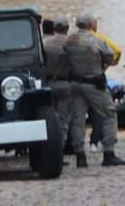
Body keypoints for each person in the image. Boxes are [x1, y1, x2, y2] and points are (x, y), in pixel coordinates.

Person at [64, 13, 125, 167]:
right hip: (93, 83)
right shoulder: (94, 40)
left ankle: (80, 155)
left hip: (75, 84)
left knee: (78, 119)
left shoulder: (68, 40)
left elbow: (64, 57)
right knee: (109, 113)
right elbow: (110, 56)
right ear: (90, 25)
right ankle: (109, 153)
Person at [43, 15, 75, 153]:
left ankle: (46, 148)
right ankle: (58, 151)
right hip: (66, 85)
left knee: (48, 120)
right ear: (67, 28)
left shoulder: (45, 43)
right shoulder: (72, 44)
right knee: (63, 121)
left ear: (54, 28)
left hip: (49, 84)